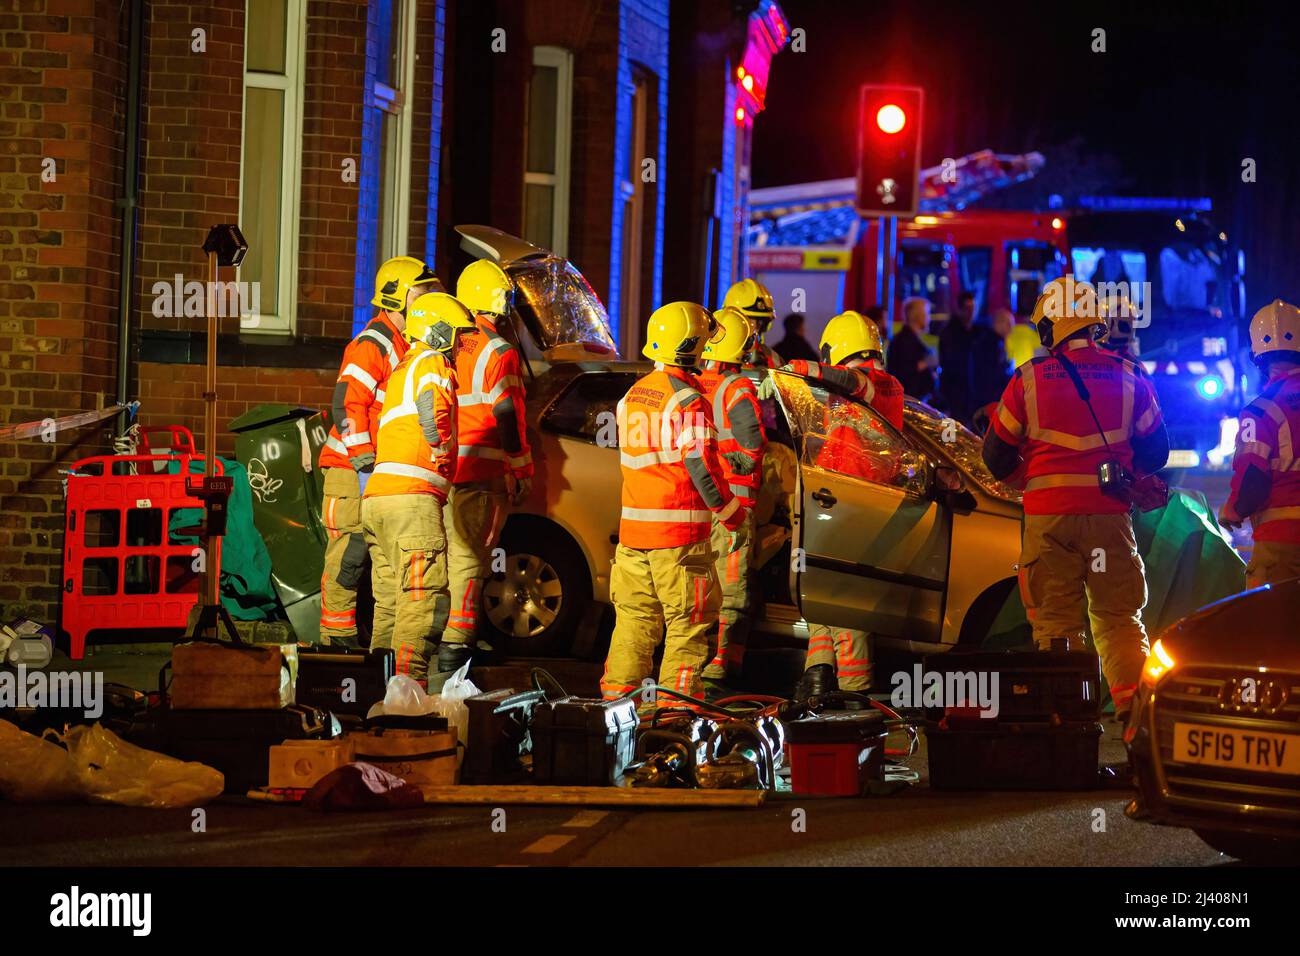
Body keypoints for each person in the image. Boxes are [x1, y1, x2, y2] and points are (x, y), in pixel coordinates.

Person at [982, 276, 1169, 723]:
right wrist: (1127, 475)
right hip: (1109, 518)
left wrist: (1031, 481)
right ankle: (1134, 725)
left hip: (1049, 522)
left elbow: (995, 453)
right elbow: (1157, 451)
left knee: (1056, 627)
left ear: (1053, 327)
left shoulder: (1028, 378)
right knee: (1119, 622)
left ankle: (1067, 727)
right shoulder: (1129, 374)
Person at [600, 302, 747, 706]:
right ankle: (674, 720)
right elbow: (701, 466)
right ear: (691, 346)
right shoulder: (688, 400)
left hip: (633, 538)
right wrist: (732, 515)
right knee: (688, 626)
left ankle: (616, 716)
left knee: (634, 623)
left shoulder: (632, 395)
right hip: (679, 539)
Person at [781, 310, 904, 697]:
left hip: (860, 504)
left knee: (847, 601)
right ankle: (818, 675)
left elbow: (851, 381)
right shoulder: (845, 394)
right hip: (833, 502)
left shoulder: (882, 384)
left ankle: (855, 693)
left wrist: (805, 367)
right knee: (821, 594)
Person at [316, 256, 437, 647]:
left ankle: (377, 653)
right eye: (422, 291)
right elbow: (346, 401)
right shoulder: (376, 342)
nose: (428, 297)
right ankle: (336, 639)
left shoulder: (402, 344)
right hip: (350, 471)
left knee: (378, 562)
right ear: (398, 296)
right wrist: (364, 458)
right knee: (348, 560)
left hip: (373, 473)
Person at [362, 292, 476, 682]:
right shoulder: (433, 361)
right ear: (439, 331)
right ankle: (407, 694)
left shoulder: (403, 368)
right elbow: (432, 410)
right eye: (458, 336)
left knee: (390, 603)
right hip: (412, 502)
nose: (461, 345)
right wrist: (442, 453)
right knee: (423, 600)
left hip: (379, 500)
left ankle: (375, 691)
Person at [432, 260, 535, 681]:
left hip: (444, 468)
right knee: (470, 560)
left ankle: (440, 638)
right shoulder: (499, 350)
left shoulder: (450, 341)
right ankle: (457, 648)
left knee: (444, 558)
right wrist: (521, 465)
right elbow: (507, 411)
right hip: (484, 466)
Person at [697, 307, 767, 694]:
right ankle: (720, 664)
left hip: (700, 500)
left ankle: (703, 655)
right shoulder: (737, 387)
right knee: (732, 586)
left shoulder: (694, 382)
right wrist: (736, 463)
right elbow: (753, 443)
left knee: (702, 582)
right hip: (734, 504)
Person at [1219, 299, 1300, 587]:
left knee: (1271, 627)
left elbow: (1253, 478)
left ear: (1259, 358)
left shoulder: (1260, 411)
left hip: (1283, 544)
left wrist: (1233, 509)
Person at [939, 290, 979, 423]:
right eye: (968, 308)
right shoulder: (950, 333)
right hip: (955, 395)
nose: (971, 312)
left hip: (971, 396)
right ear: (959, 309)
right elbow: (950, 365)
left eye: (973, 308)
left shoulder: (975, 332)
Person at [886, 296, 937, 400]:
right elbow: (904, 371)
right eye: (927, 314)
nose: (929, 318)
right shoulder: (903, 341)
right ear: (918, 316)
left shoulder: (911, 339)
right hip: (909, 402)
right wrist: (926, 362)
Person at [724, 278, 780, 368]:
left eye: (760, 321)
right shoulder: (710, 353)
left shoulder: (773, 360)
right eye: (746, 320)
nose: (754, 327)